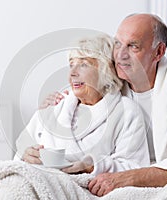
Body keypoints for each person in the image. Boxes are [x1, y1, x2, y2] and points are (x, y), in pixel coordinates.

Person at [44, 13, 167, 197]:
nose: (120, 55)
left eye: (133, 46)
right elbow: (79, 108)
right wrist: (54, 107)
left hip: (160, 178)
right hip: (115, 173)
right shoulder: (109, 84)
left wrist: (130, 177)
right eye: (118, 43)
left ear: (158, 52)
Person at [15, 34, 150, 175]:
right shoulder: (55, 106)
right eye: (71, 64)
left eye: (84, 65)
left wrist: (91, 166)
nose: (72, 73)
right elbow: (19, 153)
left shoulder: (126, 112)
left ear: (105, 70)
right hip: (39, 180)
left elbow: (135, 167)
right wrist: (26, 155)